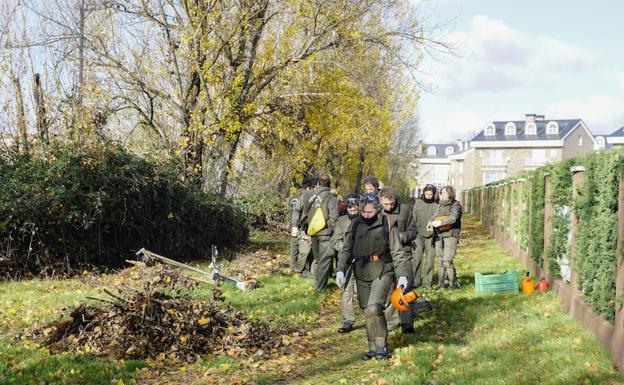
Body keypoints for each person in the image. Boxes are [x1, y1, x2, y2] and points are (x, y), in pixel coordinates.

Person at [336, 193, 411, 360]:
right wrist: (340, 270)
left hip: (382, 270)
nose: (366, 215)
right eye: (363, 212)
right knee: (367, 311)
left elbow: (398, 253)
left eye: (369, 212)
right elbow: (346, 250)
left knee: (374, 308)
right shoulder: (355, 225)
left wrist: (402, 276)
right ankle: (372, 348)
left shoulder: (387, 224)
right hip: (361, 272)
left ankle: (382, 347)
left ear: (377, 210)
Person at [379, 187, 418, 334]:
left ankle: (407, 323)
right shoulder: (376, 212)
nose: (389, 207)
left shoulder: (406, 210)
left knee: (405, 287)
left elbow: (414, 231)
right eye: (386, 204)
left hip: (404, 253)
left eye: (391, 203)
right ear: (380, 201)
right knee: (389, 290)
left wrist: (401, 237)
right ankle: (390, 324)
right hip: (385, 256)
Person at [331, 194, 360, 333]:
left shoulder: (364, 220)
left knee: (362, 290)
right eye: (350, 207)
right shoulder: (340, 221)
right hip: (345, 261)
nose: (353, 210)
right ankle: (348, 320)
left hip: (362, 260)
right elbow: (335, 241)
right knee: (345, 290)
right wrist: (346, 249)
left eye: (355, 207)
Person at [307, 173, 339, 291]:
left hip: (313, 232)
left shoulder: (309, 196)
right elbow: (334, 216)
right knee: (325, 261)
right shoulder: (330, 197)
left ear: (318, 183)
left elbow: (305, 212)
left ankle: (318, 283)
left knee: (318, 260)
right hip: (326, 233)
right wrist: (335, 232)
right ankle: (320, 288)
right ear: (329, 184)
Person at [428, 185, 462, 289]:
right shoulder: (440, 205)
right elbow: (435, 215)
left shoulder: (456, 205)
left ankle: (453, 284)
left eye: (444, 192)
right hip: (439, 235)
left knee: (447, 260)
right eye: (441, 192)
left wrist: (439, 223)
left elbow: (453, 218)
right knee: (440, 260)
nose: (441, 194)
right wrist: (430, 222)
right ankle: (441, 284)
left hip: (451, 235)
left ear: (450, 193)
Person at [412, 184, 439, 288]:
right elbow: (413, 217)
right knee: (417, 259)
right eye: (426, 194)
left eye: (430, 194)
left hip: (431, 236)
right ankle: (415, 282)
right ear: (423, 193)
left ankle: (427, 283)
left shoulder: (437, 205)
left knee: (430, 260)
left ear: (433, 194)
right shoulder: (418, 203)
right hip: (418, 235)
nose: (428, 196)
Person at [291, 175, 317, 277]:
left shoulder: (323, 196)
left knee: (314, 254)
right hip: (304, 228)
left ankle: (311, 272)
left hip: (318, 229)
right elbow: (296, 210)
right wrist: (294, 226)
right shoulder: (304, 196)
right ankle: (297, 270)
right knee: (303, 251)